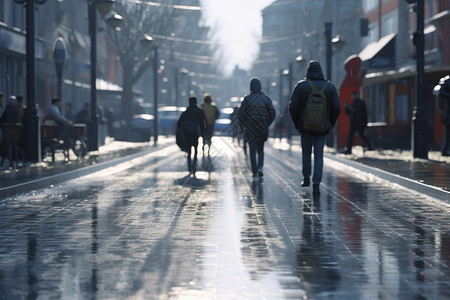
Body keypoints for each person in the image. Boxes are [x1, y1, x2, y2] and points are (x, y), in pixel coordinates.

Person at [289, 60, 341, 193]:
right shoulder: (329, 87)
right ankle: (316, 182)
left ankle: (306, 178)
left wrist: (298, 123)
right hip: (322, 127)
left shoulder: (301, 86)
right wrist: (330, 123)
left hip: (305, 127)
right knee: (319, 154)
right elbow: (337, 107)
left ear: (308, 71)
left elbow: (292, 106)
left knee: (306, 153)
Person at [238, 78, 275, 181]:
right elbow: (272, 113)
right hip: (262, 128)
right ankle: (260, 167)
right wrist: (267, 123)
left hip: (250, 129)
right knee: (260, 149)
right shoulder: (266, 99)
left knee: (252, 150)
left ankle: (254, 173)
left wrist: (243, 126)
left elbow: (241, 114)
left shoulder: (247, 99)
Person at [176, 96, 207, 176]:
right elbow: (203, 124)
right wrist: (203, 134)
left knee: (189, 151)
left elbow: (180, 124)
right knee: (196, 150)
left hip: (187, 134)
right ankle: (194, 166)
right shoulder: (199, 111)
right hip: (195, 134)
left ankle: (190, 167)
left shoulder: (186, 112)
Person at [433, 75, 450, 156]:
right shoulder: (447, 81)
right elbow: (439, 92)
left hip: (447, 115)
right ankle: (445, 151)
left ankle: (445, 151)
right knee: (448, 136)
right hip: (448, 115)